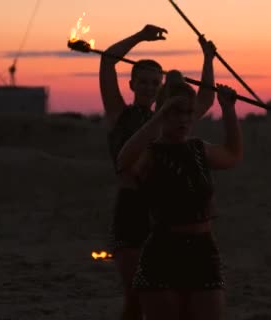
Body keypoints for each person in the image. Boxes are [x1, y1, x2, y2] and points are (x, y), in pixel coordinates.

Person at [99, 25, 216, 320]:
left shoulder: (165, 121)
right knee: (135, 298)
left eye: (155, 83)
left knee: (161, 299)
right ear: (132, 84)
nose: (149, 87)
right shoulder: (118, 113)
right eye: (144, 82)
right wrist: (139, 36)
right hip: (130, 210)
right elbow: (107, 61)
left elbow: (204, 101)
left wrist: (208, 59)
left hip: (161, 214)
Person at [116, 70, 242, 320]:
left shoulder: (198, 149)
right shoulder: (150, 153)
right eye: (176, 112)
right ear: (162, 112)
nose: (184, 119)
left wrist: (228, 110)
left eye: (188, 112)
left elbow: (232, 155)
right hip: (164, 252)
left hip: (203, 250)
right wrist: (160, 115)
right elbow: (123, 161)